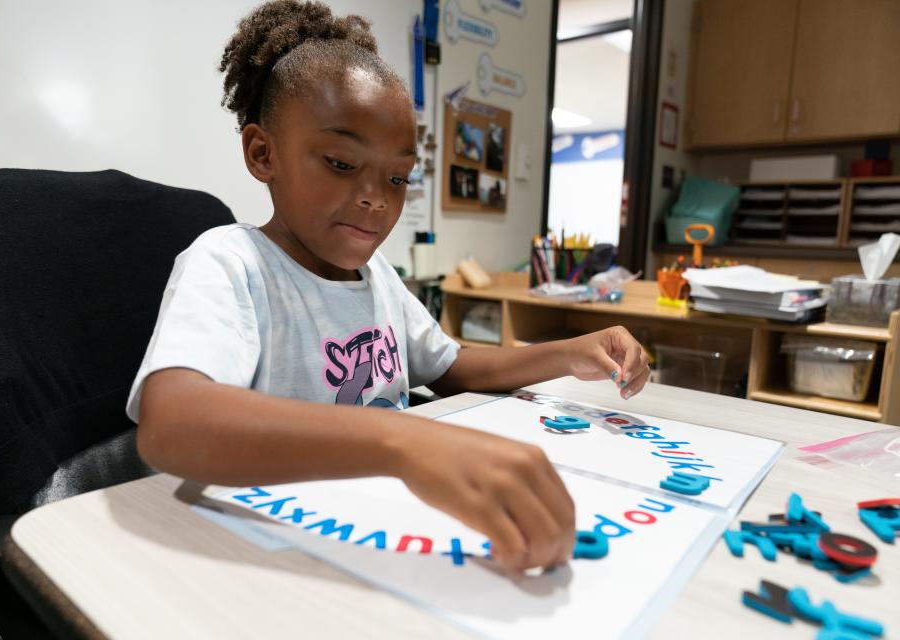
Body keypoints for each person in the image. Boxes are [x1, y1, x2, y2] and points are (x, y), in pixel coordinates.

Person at [129, 0, 650, 574]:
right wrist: (402, 443)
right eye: (341, 163)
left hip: (374, 520)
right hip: (260, 549)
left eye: (398, 177)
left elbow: (451, 365)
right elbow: (171, 422)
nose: (378, 197)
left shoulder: (376, 277)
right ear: (263, 153)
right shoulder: (231, 263)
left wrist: (569, 353)